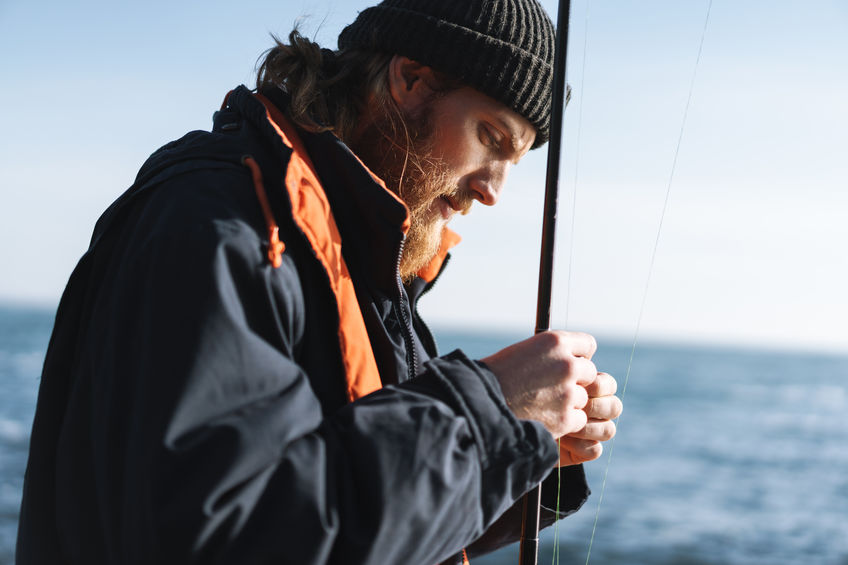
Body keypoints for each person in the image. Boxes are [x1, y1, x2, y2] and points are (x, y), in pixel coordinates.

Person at [17, 0, 623, 563]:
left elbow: (361, 510)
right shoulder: (219, 224)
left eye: (512, 164)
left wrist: (521, 447)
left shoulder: (362, 261)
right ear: (410, 79)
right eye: (491, 138)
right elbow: (227, 534)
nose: (491, 191)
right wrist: (484, 417)